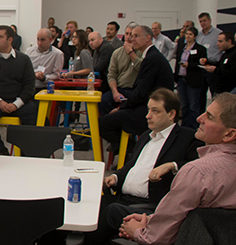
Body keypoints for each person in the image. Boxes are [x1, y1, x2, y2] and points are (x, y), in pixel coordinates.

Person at [119, 94, 236, 245]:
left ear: (230, 134)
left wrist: (136, 231)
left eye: (210, 117)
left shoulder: (197, 171)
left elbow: (155, 238)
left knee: (113, 218)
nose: (199, 118)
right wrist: (151, 220)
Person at [81, 89, 202, 244]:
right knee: (89, 201)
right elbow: (133, 165)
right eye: (148, 110)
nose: (148, 115)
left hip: (150, 205)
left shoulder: (187, 138)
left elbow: (199, 166)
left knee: (110, 212)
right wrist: (115, 176)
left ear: (171, 114)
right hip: (122, 197)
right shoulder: (146, 135)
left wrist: (171, 166)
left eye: (155, 111)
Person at [99, 25, 175, 160]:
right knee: (107, 106)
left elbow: (141, 93)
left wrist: (122, 107)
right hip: (149, 104)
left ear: (147, 38)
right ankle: (126, 149)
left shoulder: (151, 59)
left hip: (153, 109)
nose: (131, 39)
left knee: (103, 123)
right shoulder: (152, 56)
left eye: (135, 36)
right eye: (130, 35)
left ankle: (132, 149)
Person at [0, 25, 38, 155]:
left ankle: (28, 153)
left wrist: (17, 104)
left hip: (19, 102)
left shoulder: (23, 60)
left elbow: (29, 86)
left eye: (0, 37)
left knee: (35, 115)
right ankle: (0, 152)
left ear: (10, 40)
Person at [100, 25, 142, 114]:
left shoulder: (141, 52)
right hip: (119, 88)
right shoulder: (117, 53)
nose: (129, 36)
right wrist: (115, 92)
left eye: (132, 34)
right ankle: (108, 125)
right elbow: (111, 75)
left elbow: (141, 67)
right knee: (103, 101)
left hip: (135, 90)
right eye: (127, 33)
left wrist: (130, 52)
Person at [173, 26, 207, 129]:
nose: (188, 36)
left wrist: (189, 64)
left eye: (190, 34)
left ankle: (193, 126)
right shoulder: (181, 47)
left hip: (193, 80)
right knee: (184, 105)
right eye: (187, 34)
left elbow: (201, 64)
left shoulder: (200, 49)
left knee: (193, 105)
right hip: (181, 79)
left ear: (195, 36)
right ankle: (184, 125)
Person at [25, 28, 64, 92]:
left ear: (50, 40)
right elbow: (23, 68)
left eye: (43, 40)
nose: (39, 43)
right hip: (28, 87)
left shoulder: (57, 54)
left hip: (45, 88)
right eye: (38, 39)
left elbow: (56, 75)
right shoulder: (29, 51)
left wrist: (44, 78)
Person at [196, 13, 221, 110]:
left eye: (204, 21)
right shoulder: (199, 35)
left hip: (213, 65)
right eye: (201, 21)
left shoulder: (218, 33)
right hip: (201, 67)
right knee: (200, 94)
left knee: (214, 92)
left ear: (210, 20)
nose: (202, 23)